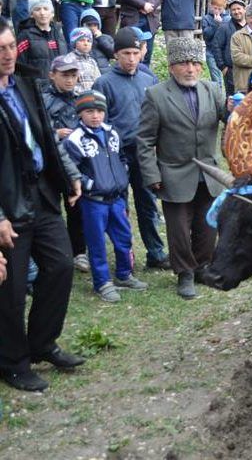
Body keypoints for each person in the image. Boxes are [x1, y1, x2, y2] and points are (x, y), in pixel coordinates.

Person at [0, 21, 85, 392]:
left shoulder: (24, 83)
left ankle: (42, 343)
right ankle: (12, 362)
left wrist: (68, 175)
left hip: (42, 194)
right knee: (11, 290)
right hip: (8, 204)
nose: (6, 55)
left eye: (8, 46)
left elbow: (45, 136)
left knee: (61, 266)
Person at [137, 38, 228, 299]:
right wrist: (152, 174)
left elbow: (229, 118)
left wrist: (234, 109)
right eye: (184, 63)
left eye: (195, 63)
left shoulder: (212, 90)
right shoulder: (156, 95)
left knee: (207, 226)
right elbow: (144, 140)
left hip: (208, 174)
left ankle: (201, 266)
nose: (190, 69)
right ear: (172, 65)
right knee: (178, 230)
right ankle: (184, 273)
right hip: (174, 174)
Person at [93, 28, 168, 269]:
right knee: (119, 207)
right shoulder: (103, 83)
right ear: (116, 54)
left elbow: (159, 116)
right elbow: (96, 122)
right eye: (126, 53)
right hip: (116, 154)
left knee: (148, 204)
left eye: (136, 52)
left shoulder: (149, 79)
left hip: (144, 152)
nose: (132, 58)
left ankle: (156, 253)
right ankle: (125, 257)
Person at [64, 90, 147, 303]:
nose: (95, 116)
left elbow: (120, 157)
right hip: (93, 201)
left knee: (124, 237)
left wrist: (122, 175)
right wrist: (90, 184)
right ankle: (102, 282)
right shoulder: (75, 139)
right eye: (89, 111)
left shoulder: (112, 132)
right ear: (80, 114)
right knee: (97, 242)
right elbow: (71, 169)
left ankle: (123, 274)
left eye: (100, 111)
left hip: (117, 198)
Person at [42, 54, 88, 272]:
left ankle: (78, 251)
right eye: (65, 75)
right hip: (49, 165)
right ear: (53, 75)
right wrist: (56, 134)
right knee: (49, 208)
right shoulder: (42, 100)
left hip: (76, 163)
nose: (70, 80)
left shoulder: (80, 98)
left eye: (73, 75)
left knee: (76, 208)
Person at [15, 0, 67, 79]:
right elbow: (19, 67)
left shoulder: (59, 35)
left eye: (46, 9)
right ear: (31, 14)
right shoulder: (25, 36)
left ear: (52, 13)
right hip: (36, 89)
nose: (42, 13)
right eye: (37, 9)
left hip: (59, 87)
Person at [212, 0, 246, 95]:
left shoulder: (251, 27)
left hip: (249, 68)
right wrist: (222, 67)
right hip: (231, 70)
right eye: (233, 10)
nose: (236, 12)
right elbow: (216, 46)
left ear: (244, 9)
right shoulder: (225, 27)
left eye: (238, 9)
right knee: (232, 98)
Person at [201, 0, 229, 86]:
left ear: (224, 8)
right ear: (210, 6)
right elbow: (206, 35)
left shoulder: (228, 19)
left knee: (227, 78)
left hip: (225, 53)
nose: (216, 11)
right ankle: (217, 97)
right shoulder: (206, 18)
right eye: (214, 8)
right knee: (216, 78)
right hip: (211, 52)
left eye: (219, 9)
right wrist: (215, 24)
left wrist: (221, 25)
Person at [67, 27, 101, 93]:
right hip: (77, 99)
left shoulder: (92, 62)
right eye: (82, 40)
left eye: (89, 41)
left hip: (93, 98)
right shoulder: (69, 59)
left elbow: (98, 81)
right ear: (75, 43)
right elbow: (68, 82)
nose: (86, 43)